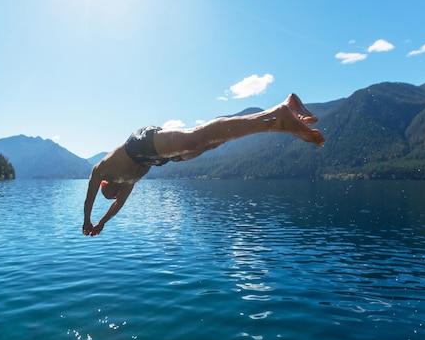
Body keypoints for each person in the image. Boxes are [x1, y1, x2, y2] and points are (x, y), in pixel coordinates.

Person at [82, 93, 325, 236]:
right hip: (156, 159)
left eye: (109, 192)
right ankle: (279, 116)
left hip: (140, 144)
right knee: (207, 145)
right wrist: (101, 223)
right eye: (113, 194)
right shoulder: (126, 184)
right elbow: (117, 206)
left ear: (105, 183)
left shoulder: (102, 169)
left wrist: (86, 220)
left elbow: (89, 195)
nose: (113, 195)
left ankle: (278, 116)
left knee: (195, 138)